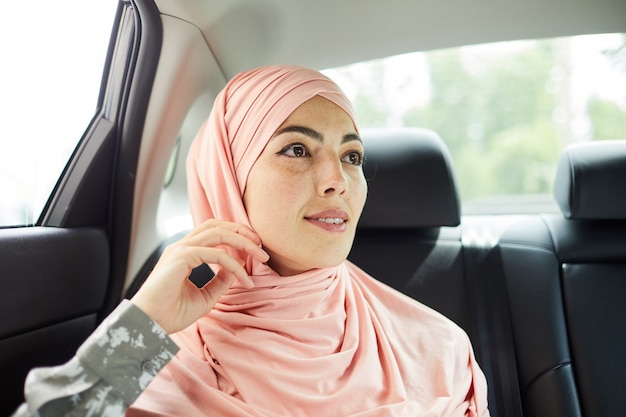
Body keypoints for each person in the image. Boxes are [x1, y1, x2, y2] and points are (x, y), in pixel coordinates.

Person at [12, 65, 489, 417]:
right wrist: (145, 324)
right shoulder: (154, 359)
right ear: (228, 178)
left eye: (352, 156)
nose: (336, 180)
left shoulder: (438, 349)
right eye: (297, 149)